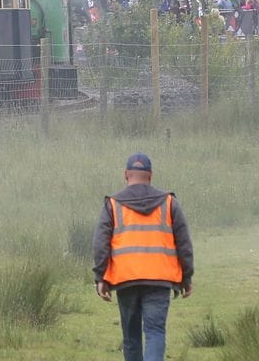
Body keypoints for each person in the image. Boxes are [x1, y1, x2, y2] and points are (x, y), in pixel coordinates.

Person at [94, 151, 194, 361]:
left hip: (126, 280)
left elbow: (101, 244)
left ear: (125, 175)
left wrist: (101, 277)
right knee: (155, 333)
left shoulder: (112, 204)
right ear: (150, 176)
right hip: (159, 280)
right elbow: (183, 242)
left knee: (131, 337)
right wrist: (187, 277)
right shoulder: (169, 202)